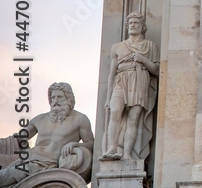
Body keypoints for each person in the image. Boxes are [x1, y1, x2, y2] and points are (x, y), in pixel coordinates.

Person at [0, 83, 94, 187]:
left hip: (46, 164)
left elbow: (91, 143)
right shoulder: (40, 119)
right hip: (28, 159)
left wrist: (75, 145)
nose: (55, 101)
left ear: (69, 98)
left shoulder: (80, 119)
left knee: (5, 176)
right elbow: (18, 139)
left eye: (59, 97)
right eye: (53, 97)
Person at [101, 12, 159, 162]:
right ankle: (112, 147)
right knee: (115, 112)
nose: (132, 25)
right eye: (130, 23)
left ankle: (127, 153)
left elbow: (157, 70)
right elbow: (111, 74)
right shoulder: (117, 47)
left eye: (136, 23)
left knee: (133, 119)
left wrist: (143, 60)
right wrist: (108, 98)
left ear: (142, 27)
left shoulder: (150, 46)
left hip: (139, 80)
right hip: (121, 80)